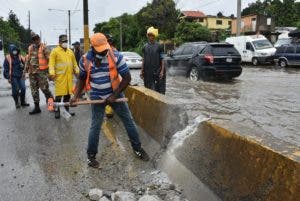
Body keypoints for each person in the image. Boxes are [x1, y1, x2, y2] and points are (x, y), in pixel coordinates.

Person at [70, 33, 149, 168]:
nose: (104, 52)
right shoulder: (84, 60)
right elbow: (82, 79)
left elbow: (127, 78)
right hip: (96, 96)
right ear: (93, 48)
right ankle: (91, 156)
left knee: (128, 121)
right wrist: (76, 95)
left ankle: (137, 149)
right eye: (100, 50)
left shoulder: (116, 56)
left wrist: (114, 95)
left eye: (105, 48)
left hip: (115, 94)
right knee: (95, 125)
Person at [49, 34, 79, 119]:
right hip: (59, 78)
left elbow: (74, 64)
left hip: (69, 78)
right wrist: (52, 73)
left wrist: (77, 71)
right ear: (59, 42)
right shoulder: (55, 51)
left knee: (67, 96)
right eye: (63, 41)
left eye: (66, 41)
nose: (65, 43)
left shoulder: (70, 52)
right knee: (58, 96)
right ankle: (56, 111)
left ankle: (66, 110)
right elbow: (51, 64)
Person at [26, 33, 53, 115]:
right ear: (32, 40)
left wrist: (50, 72)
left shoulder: (44, 47)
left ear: (39, 39)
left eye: (37, 39)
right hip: (32, 73)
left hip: (41, 73)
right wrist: (25, 70)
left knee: (45, 89)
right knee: (34, 91)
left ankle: (51, 105)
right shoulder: (30, 48)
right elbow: (28, 59)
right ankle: (37, 107)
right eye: (34, 39)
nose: (36, 40)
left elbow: (50, 60)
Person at [140, 26, 166, 94]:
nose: (150, 37)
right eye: (149, 35)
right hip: (147, 71)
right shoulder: (145, 46)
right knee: (148, 89)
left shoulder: (159, 46)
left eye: (152, 35)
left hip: (157, 71)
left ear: (154, 36)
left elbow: (162, 59)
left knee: (159, 89)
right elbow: (143, 59)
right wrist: (142, 71)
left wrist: (162, 71)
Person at [3, 44, 30, 108]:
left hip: (21, 76)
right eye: (13, 51)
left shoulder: (20, 57)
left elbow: (26, 66)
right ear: (10, 51)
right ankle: (16, 103)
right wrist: (8, 77)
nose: (14, 52)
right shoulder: (7, 58)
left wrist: (23, 66)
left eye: (15, 50)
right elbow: (6, 69)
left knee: (23, 88)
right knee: (15, 91)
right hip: (13, 77)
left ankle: (23, 102)